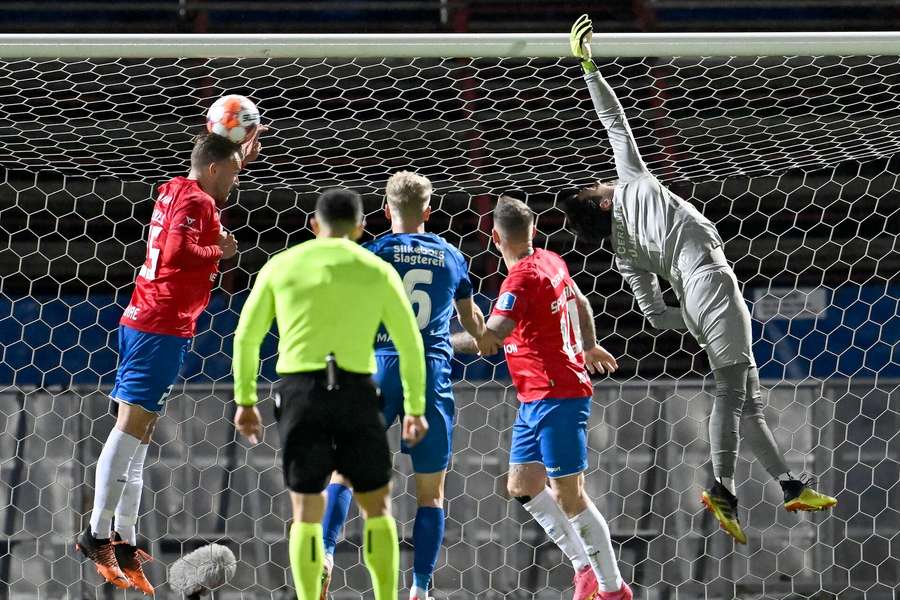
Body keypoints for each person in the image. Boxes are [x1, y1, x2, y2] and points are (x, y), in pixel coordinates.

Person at [559, 14, 837, 544]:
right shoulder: (634, 182)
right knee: (732, 392)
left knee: (748, 398)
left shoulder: (623, 254)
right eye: (596, 184)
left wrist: (694, 318)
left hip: (693, 297)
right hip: (713, 280)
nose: (601, 180)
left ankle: (790, 483)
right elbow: (615, 121)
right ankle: (723, 487)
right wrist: (589, 65)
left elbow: (653, 316)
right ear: (600, 199)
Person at [75, 129, 262, 594]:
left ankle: (124, 540)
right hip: (160, 325)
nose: (236, 182)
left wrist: (238, 152)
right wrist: (221, 251)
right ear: (216, 168)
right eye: (234, 173)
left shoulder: (176, 188)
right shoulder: (199, 201)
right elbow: (181, 253)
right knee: (129, 430)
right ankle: (96, 534)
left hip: (145, 315)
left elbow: (185, 224)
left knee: (139, 435)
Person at [231, 188, 429, 600]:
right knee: (377, 507)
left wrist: (245, 400)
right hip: (357, 392)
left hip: (300, 392)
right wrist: (414, 408)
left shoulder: (281, 265)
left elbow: (247, 337)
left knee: (305, 511)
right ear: (360, 228)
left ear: (313, 225)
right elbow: (410, 344)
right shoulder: (376, 269)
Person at [452, 194, 633, 600]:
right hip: (534, 397)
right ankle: (585, 566)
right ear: (533, 229)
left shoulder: (519, 280)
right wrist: (588, 344)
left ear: (494, 236)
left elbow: (490, 340)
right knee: (522, 485)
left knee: (570, 493)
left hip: (559, 393)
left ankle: (612, 589)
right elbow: (581, 301)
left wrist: (440, 343)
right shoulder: (552, 261)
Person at [318, 171, 486, 600]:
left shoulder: (372, 253)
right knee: (431, 494)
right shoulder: (451, 256)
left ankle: (326, 552)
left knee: (343, 471)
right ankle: (420, 587)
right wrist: (483, 335)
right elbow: (474, 325)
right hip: (429, 372)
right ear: (428, 210)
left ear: (386, 209)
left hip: (377, 365)